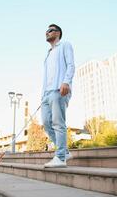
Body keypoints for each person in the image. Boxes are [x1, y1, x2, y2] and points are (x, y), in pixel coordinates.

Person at [41, 24, 75, 168]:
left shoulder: (65, 45)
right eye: (46, 31)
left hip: (59, 89)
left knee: (58, 123)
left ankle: (60, 157)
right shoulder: (48, 54)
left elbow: (71, 65)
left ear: (58, 33)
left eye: (50, 30)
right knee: (47, 124)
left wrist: (66, 82)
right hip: (46, 94)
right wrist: (43, 95)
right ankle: (65, 151)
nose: (47, 33)